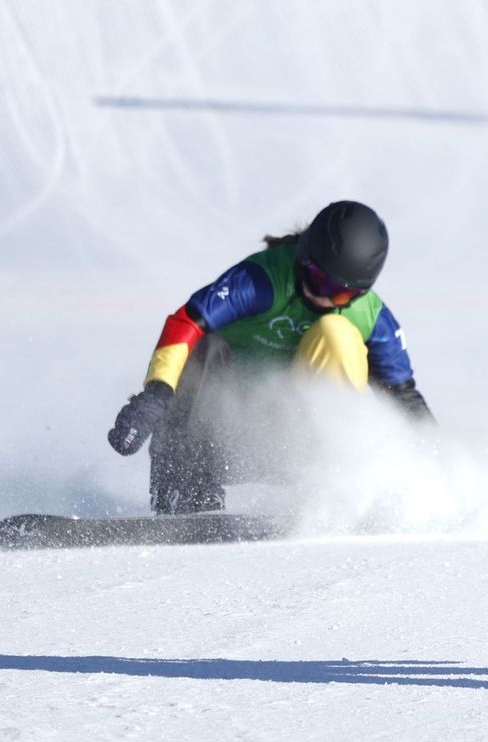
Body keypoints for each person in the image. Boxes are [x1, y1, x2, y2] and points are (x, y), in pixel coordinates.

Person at [106, 201, 434, 514]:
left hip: (295, 443)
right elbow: (186, 322)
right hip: (220, 434)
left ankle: (337, 484)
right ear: (304, 257)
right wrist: (156, 394)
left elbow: (403, 396)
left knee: (338, 332)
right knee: (205, 344)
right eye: (318, 279)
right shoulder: (261, 280)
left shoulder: (369, 314)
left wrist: (437, 471)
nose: (323, 296)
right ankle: (185, 485)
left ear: (360, 292)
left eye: (341, 293)